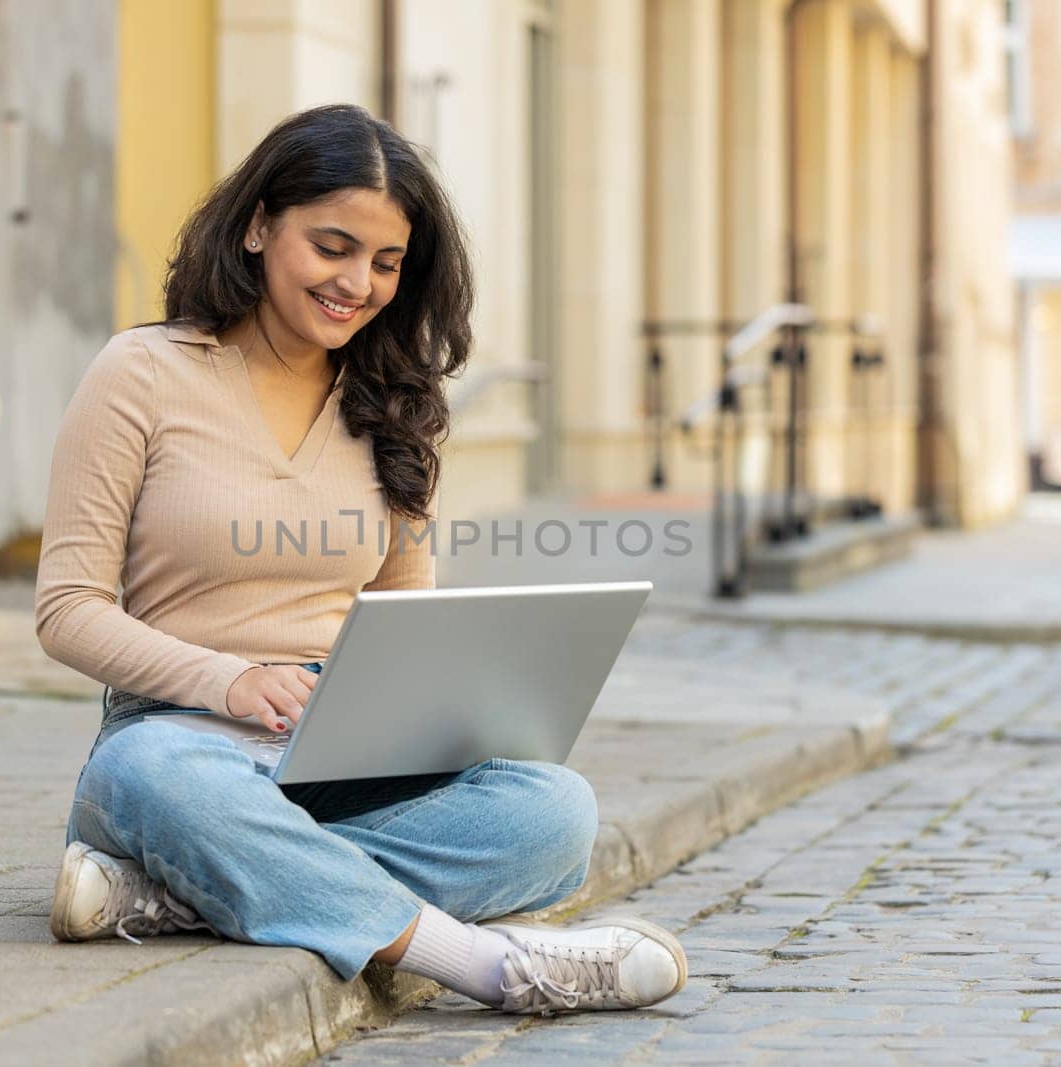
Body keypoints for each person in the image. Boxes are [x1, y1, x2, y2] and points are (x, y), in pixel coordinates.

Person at [35, 103, 686, 1015]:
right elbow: (66, 607)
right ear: (260, 226)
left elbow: (407, 621)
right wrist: (226, 679)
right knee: (147, 780)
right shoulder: (141, 372)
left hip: (340, 759)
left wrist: (448, 711)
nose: (358, 283)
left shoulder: (397, 404)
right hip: (180, 740)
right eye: (332, 247)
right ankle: (490, 966)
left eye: (386, 263)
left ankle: (180, 894)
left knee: (555, 812)